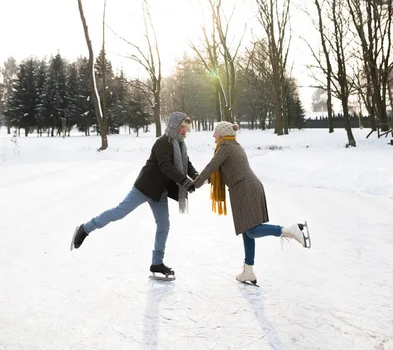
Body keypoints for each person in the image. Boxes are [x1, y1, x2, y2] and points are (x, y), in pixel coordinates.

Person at [70, 112, 198, 279]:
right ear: (175, 126)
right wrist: (183, 180)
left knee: (164, 226)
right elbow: (165, 165)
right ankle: (85, 228)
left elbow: (186, 162)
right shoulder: (162, 142)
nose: (185, 132)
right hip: (145, 187)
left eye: (187, 129)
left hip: (160, 192)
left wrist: (194, 175)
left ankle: (157, 263)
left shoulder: (180, 145)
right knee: (119, 212)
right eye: (183, 128)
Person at [189, 121, 311, 285]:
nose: (213, 135)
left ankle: (289, 230)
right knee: (246, 232)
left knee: (251, 230)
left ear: (222, 134)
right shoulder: (231, 145)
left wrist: (194, 184)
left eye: (215, 132)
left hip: (244, 189)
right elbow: (218, 172)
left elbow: (211, 167)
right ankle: (248, 270)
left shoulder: (226, 147)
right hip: (246, 187)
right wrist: (198, 182)